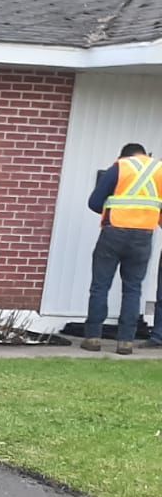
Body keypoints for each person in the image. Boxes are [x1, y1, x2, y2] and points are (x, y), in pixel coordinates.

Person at [83, 142, 162, 355]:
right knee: (133, 288)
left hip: (114, 233)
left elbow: (94, 202)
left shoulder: (120, 167)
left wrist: (112, 209)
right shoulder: (159, 170)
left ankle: (92, 338)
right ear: (145, 155)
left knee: (100, 286)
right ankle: (126, 341)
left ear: (124, 155)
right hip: (143, 236)